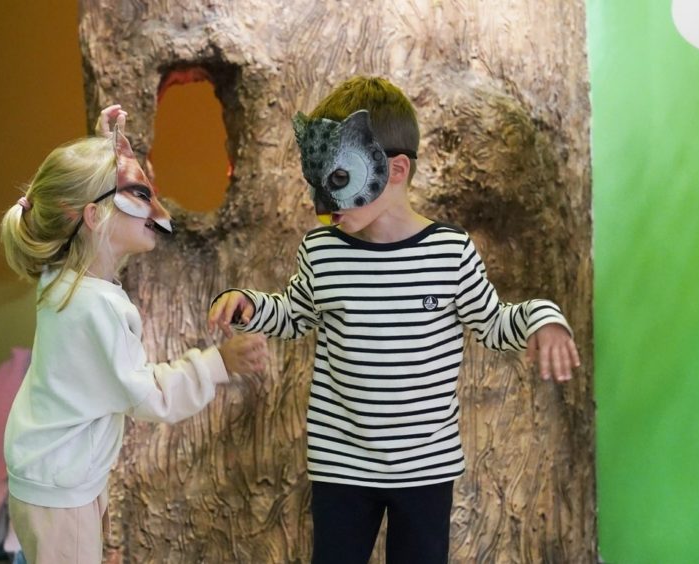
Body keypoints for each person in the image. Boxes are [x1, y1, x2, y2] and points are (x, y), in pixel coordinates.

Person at [208, 77, 580, 564]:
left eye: (339, 180)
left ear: (396, 169)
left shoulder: (450, 252)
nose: (321, 205)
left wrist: (544, 319)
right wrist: (247, 304)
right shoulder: (322, 251)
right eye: (316, 182)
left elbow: (493, 323)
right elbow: (294, 313)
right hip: (342, 463)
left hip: (426, 466)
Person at [0, 105, 267, 564]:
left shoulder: (62, 279)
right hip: (62, 490)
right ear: (94, 215)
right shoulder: (93, 307)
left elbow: (85, 206)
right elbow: (148, 396)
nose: (156, 209)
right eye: (140, 194)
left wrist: (107, 152)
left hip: (49, 476)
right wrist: (217, 364)